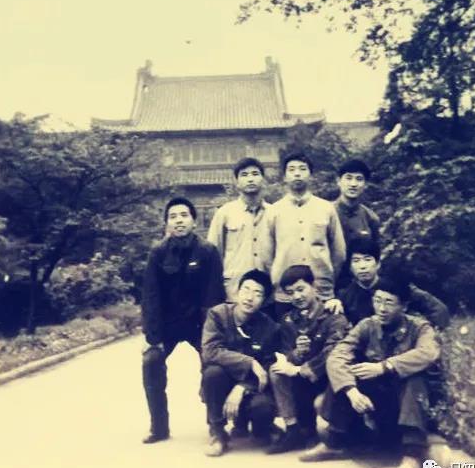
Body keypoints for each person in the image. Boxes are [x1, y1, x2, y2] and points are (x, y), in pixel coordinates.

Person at [301, 277, 441, 468]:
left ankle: (412, 454)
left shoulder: (420, 328)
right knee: (349, 372)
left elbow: (428, 353)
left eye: (389, 303)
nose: (382, 308)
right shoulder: (367, 325)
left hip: (406, 406)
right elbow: (338, 356)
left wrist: (384, 367)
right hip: (375, 405)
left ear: (404, 306)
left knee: (415, 379)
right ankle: (334, 442)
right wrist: (351, 391)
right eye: (377, 301)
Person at [141, 197, 225, 444]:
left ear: (194, 221)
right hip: (168, 324)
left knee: (213, 368)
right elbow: (151, 296)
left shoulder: (207, 251)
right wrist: (152, 337)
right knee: (150, 362)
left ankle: (216, 426)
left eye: (184, 215)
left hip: (200, 323)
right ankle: (159, 427)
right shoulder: (158, 252)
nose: (179, 221)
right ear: (167, 223)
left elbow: (214, 295)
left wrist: (212, 335)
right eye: (173, 216)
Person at [267, 265, 350, 454]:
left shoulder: (333, 316)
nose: (297, 296)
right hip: (302, 380)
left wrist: (301, 369)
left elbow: (333, 352)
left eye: (300, 289)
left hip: (327, 379)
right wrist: (297, 353)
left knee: (319, 400)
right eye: (290, 293)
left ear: (314, 286)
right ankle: (293, 429)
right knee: (276, 371)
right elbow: (285, 353)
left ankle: (334, 435)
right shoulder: (288, 320)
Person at [201, 269, 281, 457]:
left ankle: (260, 428)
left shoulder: (269, 327)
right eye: (246, 289)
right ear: (237, 292)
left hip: (251, 386)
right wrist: (249, 361)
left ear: (264, 301)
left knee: (263, 408)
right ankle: (218, 433)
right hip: (222, 382)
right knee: (212, 373)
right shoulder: (218, 315)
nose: (250, 297)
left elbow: (267, 366)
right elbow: (210, 351)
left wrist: (242, 387)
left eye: (258, 293)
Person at [263, 152, 346, 318]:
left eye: (302, 169)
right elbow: (266, 255)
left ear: (310, 175)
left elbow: (339, 252)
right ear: (284, 176)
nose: (297, 174)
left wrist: (326, 277)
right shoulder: (273, 211)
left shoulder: (326, 208)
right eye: (292, 169)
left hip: (320, 290)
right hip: (286, 294)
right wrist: (278, 281)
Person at [327, 237, 450, 330]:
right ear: (350, 267)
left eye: (368, 259)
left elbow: (437, 309)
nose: (362, 266)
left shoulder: (394, 286)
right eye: (356, 261)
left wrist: (431, 335)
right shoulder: (345, 295)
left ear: (378, 264)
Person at [207, 157, 270, 303]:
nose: (250, 179)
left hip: (267, 292)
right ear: (236, 182)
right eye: (244, 175)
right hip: (233, 292)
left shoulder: (274, 213)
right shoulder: (224, 213)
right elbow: (213, 255)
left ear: (263, 179)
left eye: (255, 174)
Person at [334, 159, 381, 288]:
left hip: (359, 284)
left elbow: (375, 254)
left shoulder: (370, 218)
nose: (353, 184)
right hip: (330, 281)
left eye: (359, 179)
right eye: (348, 178)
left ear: (365, 184)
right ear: (338, 181)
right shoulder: (325, 213)